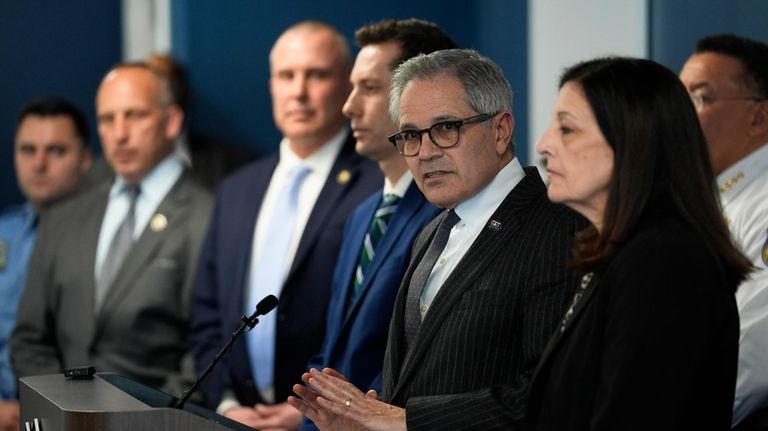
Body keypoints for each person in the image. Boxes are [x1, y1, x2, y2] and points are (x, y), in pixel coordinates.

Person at [288, 48, 585, 430]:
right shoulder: (431, 232)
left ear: (501, 130)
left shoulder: (558, 230)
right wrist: (361, 418)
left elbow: (551, 396)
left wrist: (407, 421)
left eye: (446, 129)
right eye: (411, 135)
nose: (425, 152)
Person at [524, 57, 752, 430]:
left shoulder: (664, 263)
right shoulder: (624, 253)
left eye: (567, 128)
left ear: (633, 140)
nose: (544, 144)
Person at [189, 20, 382, 429]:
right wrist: (223, 403)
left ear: (346, 87)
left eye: (317, 75)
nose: (299, 91)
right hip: (235, 417)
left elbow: (379, 325)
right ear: (272, 85)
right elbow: (207, 312)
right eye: (286, 76)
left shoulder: (377, 184)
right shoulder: (237, 188)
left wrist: (312, 412)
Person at [291, 19, 455, 431]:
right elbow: (333, 351)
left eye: (369, 88)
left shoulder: (446, 215)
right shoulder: (362, 215)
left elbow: (423, 363)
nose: (348, 106)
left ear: (417, 97)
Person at [11, 64, 213, 397]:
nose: (119, 134)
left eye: (135, 116)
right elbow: (29, 338)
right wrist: (65, 410)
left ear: (172, 122)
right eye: (107, 119)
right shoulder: (64, 216)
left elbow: (207, 348)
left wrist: (150, 419)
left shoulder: (208, 214)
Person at [679, 34, 768, 426]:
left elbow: (751, 356)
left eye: (699, 98)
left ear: (758, 117)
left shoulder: (763, 204)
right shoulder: (708, 198)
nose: (681, 116)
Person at [0, 98, 92, 431]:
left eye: (56, 151)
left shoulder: (104, 240)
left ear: (84, 160)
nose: (38, 164)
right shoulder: (4, 231)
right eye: (27, 150)